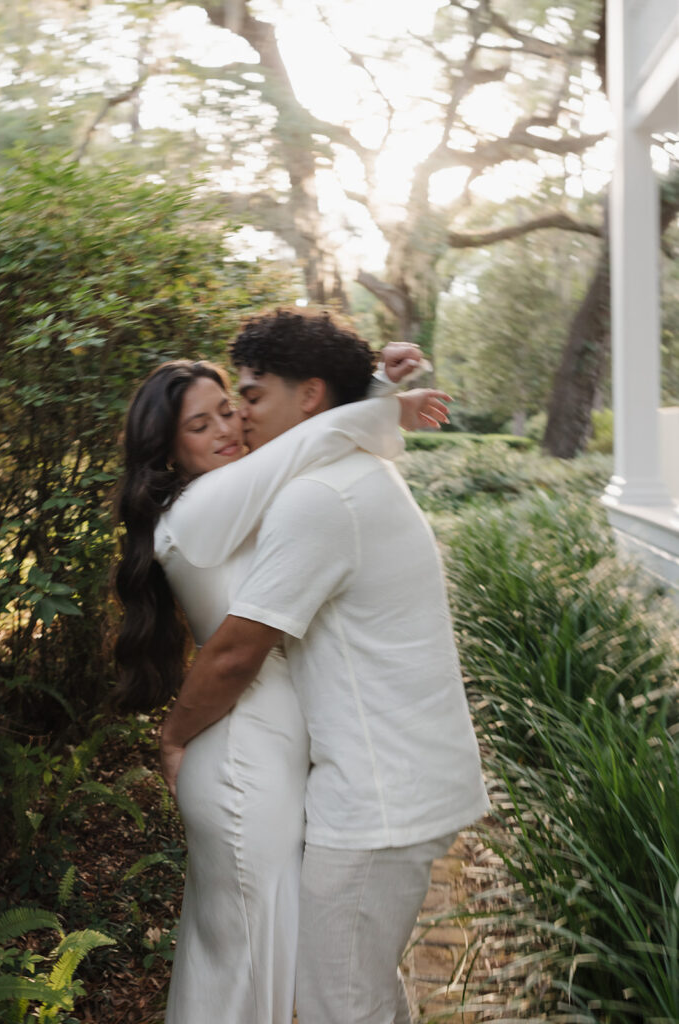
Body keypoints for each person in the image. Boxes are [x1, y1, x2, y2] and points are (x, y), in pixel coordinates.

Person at [160, 309, 491, 1024]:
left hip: (378, 802)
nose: (238, 418)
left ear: (308, 397)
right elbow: (327, 421)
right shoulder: (341, 469)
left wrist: (175, 736)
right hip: (393, 783)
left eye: (249, 397)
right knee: (358, 988)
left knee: (339, 1000)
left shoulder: (318, 499)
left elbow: (234, 652)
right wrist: (378, 388)